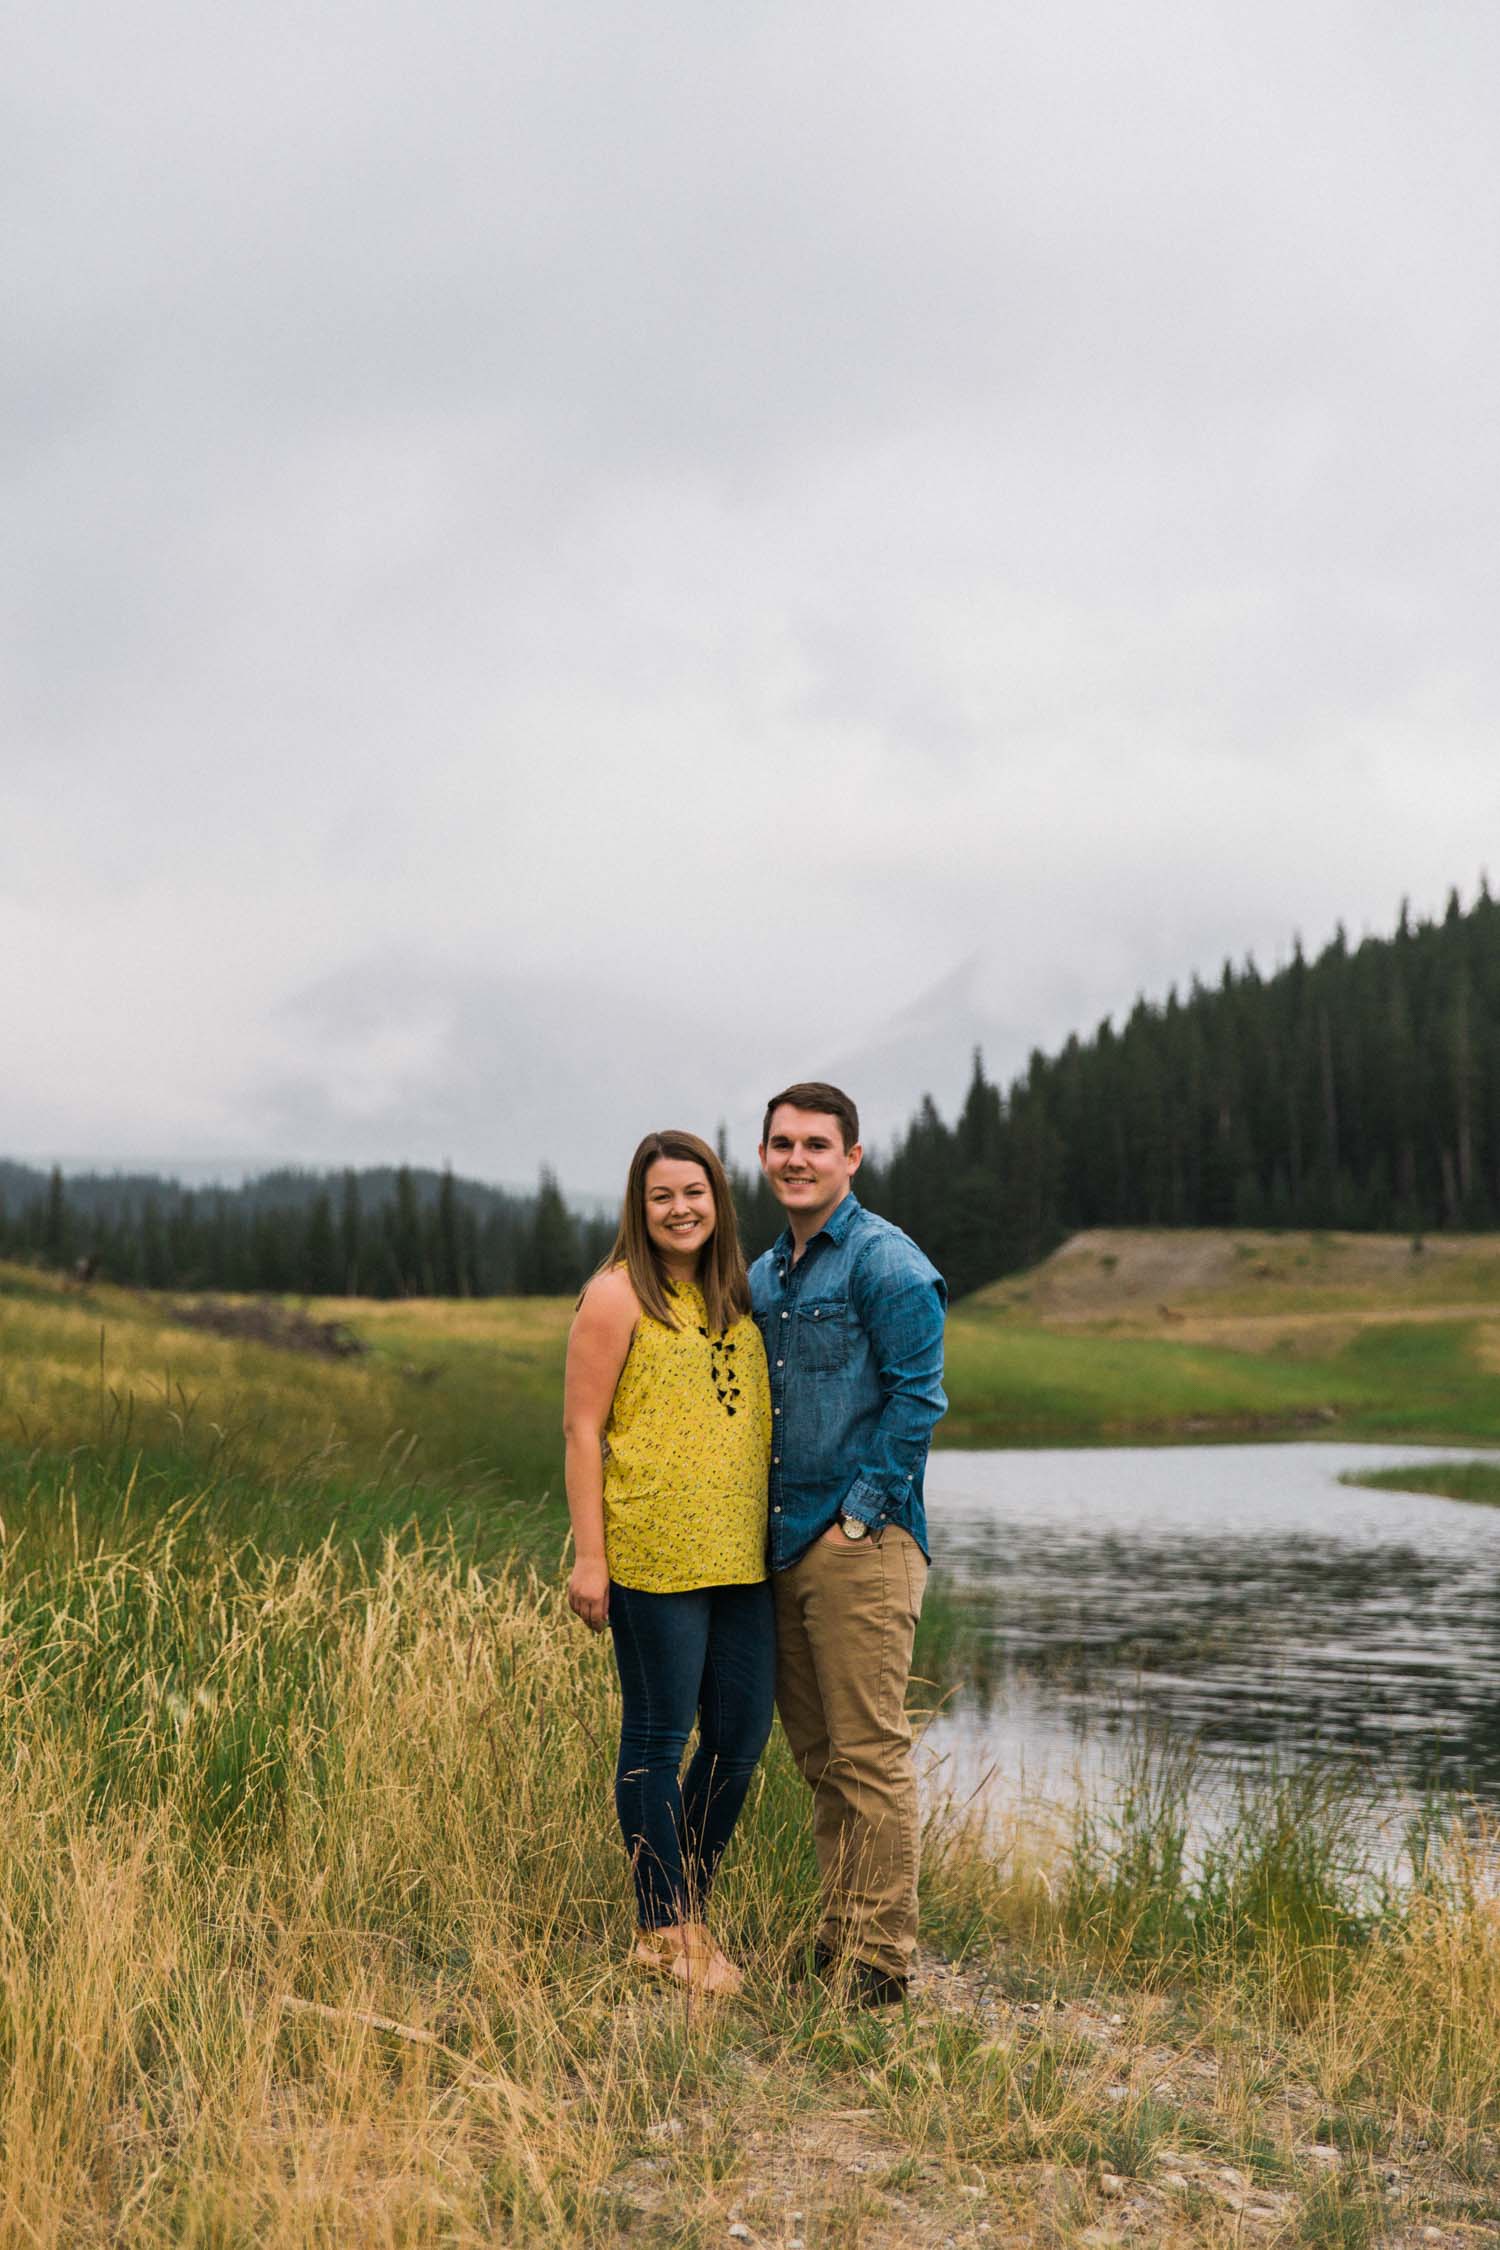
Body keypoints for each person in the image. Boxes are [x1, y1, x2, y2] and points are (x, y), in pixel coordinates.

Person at [749, 1081, 947, 2007]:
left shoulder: (886, 1261)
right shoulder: (765, 1275)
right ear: (763, 1157)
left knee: (868, 1753)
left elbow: (919, 1400)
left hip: (860, 1543)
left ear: (852, 1158)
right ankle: (839, 1937)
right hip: (783, 1543)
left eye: (816, 1146)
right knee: (820, 1758)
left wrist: (860, 1516)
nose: (798, 1159)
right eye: (782, 1144)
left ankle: (879, 1963)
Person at [563, 1128, 773, 1996]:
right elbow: (582, 1428)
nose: (680, 1208)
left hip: (743, 1557)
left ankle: (685, 1905)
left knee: (738, 1742)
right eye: (662, 1197)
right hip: (653, 1555)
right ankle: (663, 1926)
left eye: (695, 1192)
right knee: (656, 1740)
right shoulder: (616, 1295)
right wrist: (590, 1556)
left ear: (717, 1200)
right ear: (639, 1208)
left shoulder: (735, 1292)